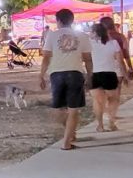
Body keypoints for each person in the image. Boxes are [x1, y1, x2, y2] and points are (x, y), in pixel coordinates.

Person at [39, 9, 93, 150]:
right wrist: (90, 75)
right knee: (73, 110)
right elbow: (88, 59)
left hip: (56, 74)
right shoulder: (82, 36)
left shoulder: (52, 35)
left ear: (59, 21)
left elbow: (46, 57)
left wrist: (41, 75)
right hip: (75, 73)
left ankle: (67, 138)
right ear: (72, 20)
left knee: (59, 109)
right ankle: (69, 136)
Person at [89, 20, 125, 132]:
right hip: (110, 74)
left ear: (95, 33)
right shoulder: (113, 43)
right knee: (113, 100)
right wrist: (125, 75)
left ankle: (100, 125)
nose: (89, 33)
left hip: (96, 74)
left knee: (97, 101)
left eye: (91, 31)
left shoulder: (90, 44)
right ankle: (111, 122)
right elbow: (120, 61)